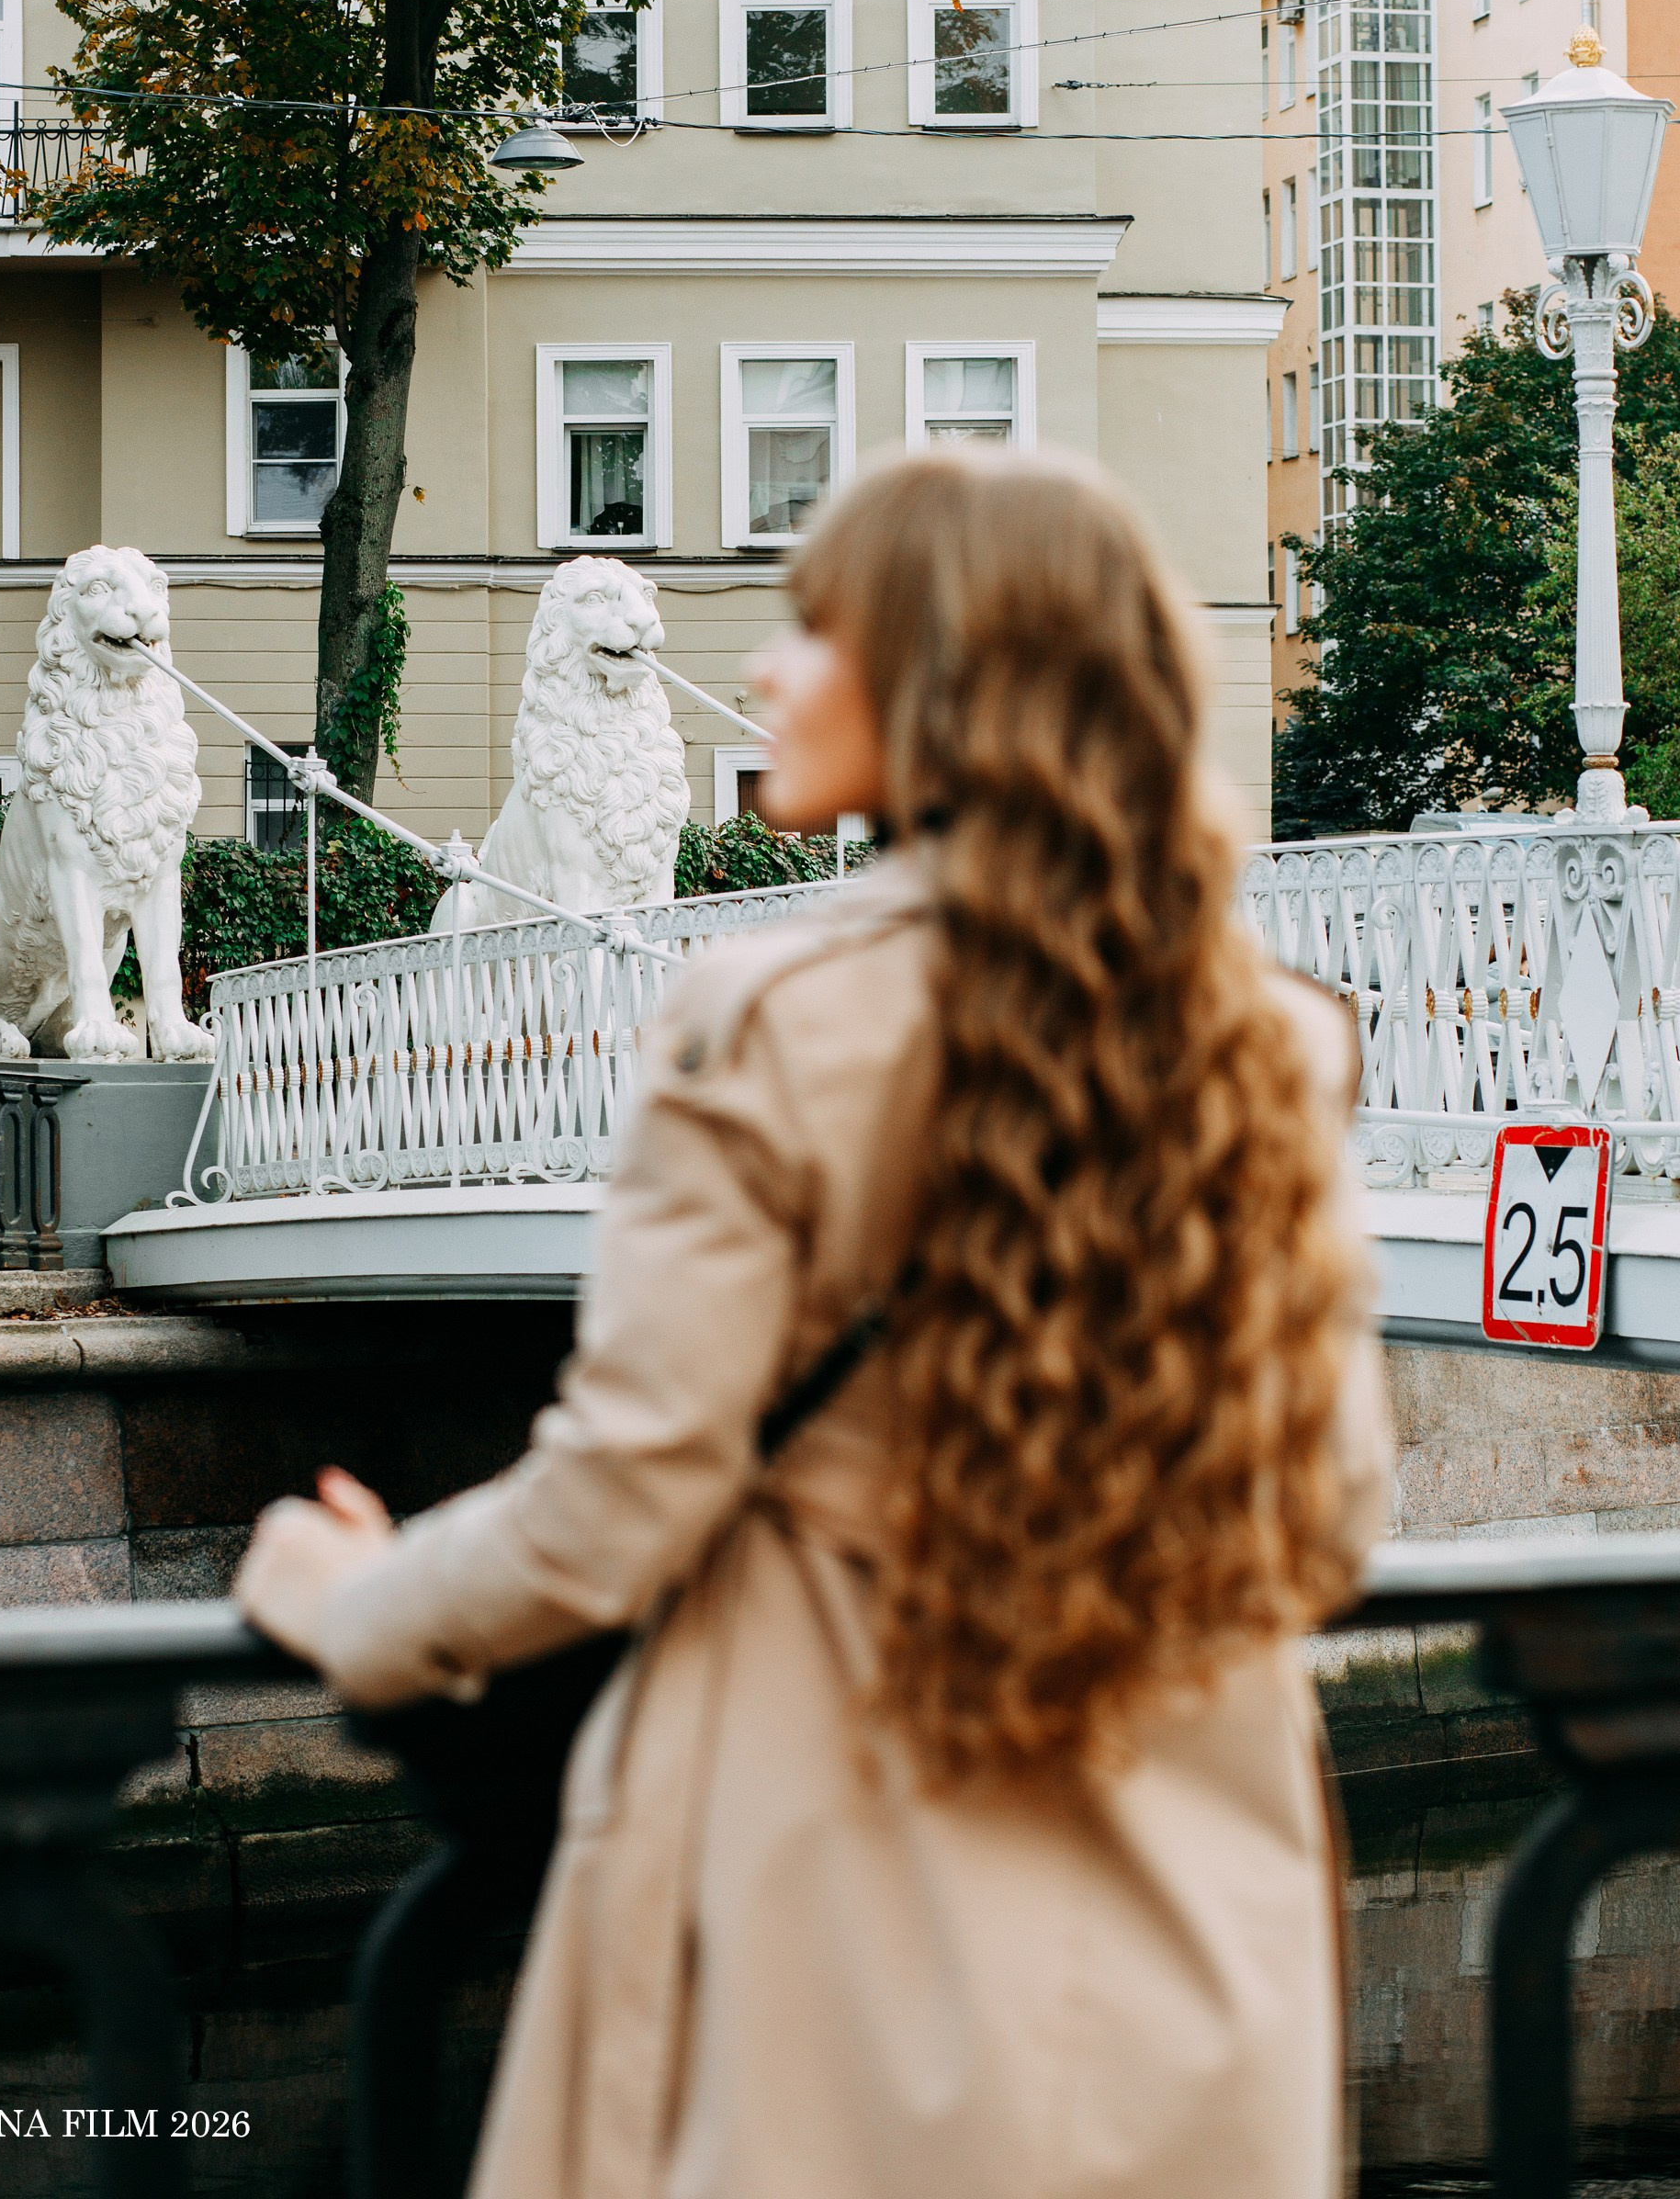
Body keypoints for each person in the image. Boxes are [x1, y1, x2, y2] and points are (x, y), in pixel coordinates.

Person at [236, 447, 1392, 2199]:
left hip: (846, 1911)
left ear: (942, 683)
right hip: (1192, 1945)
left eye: (815, 631)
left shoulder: (766, 1022)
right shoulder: (1274, 1045)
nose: (765, 673)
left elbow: (626, 1493)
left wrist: (361, 1607)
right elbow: (1333, 1516)